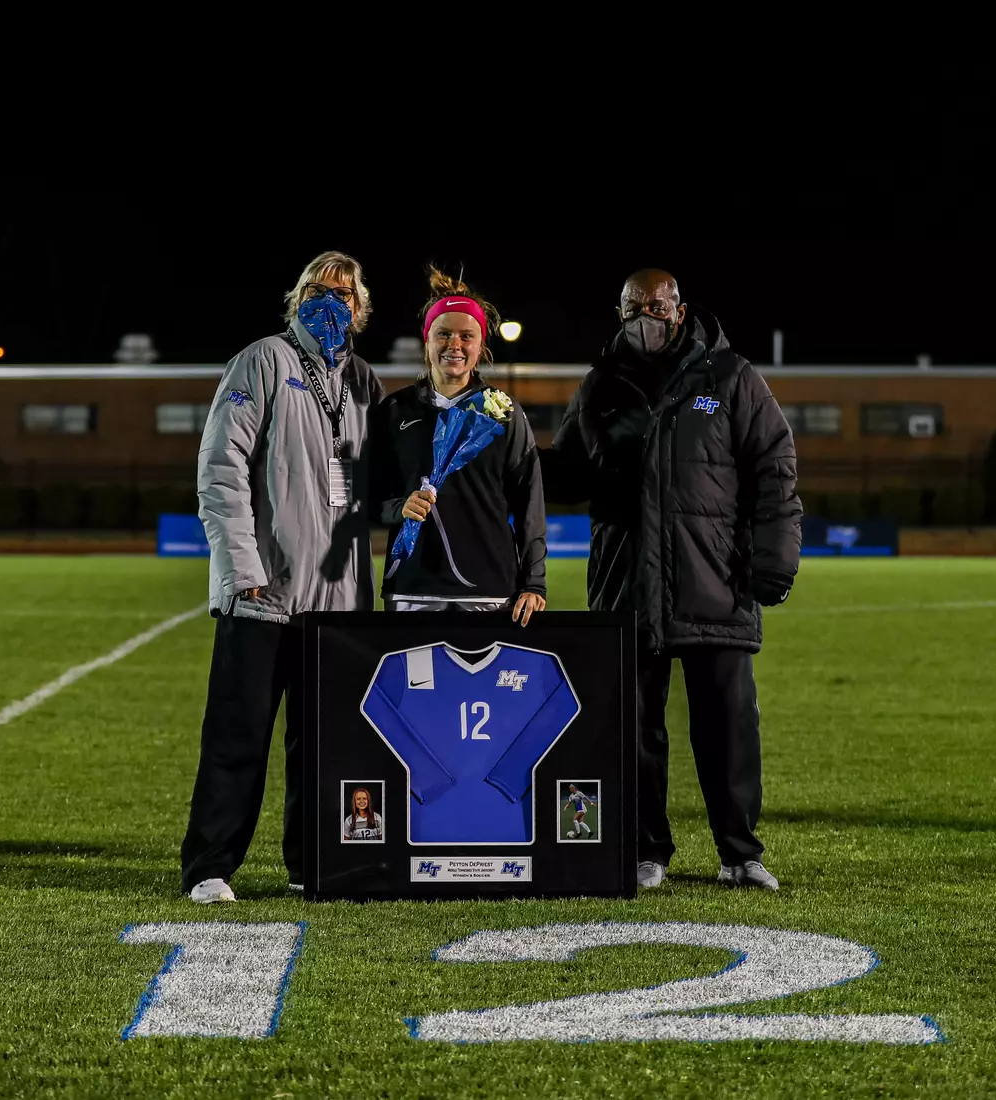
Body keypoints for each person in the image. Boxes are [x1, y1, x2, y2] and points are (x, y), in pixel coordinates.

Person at [541, 269, 801, 891]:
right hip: (628, 583)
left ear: (680, 310)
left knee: (729, 726)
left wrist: (774, 558)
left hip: (715, 579)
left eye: (657, 306)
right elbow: (566, 473)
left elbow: (775, 465)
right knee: (632, 728)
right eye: (634, 308)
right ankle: (645, 848)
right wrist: (504, 450)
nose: (646, 317)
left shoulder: (730, 377)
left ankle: (740, 852)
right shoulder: (602, 385)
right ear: (619, 311)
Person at [182, 251, 384, 904]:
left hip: (336, 601)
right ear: (295, 298)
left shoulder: (362, 380)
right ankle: (210, 867)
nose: (332, 301)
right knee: (237, 738)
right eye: (318, 289)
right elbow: (220, 466)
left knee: (324, 745)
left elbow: (377, 482)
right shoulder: (262, 360)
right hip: (264, 593)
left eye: (344, 293)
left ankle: (312, 863)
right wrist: (242, 568)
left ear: (361, 311)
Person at [371, 266, 547, 623]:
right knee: (414, 682)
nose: (455, 345)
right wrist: (398, 508)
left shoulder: (503, 412)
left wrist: (534, 583)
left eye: (467, 336)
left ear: (480, 345)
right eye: (444, 334)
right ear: (427, 341)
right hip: (411, 588)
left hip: (490, 588)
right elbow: (369, 496)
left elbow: (530, 501)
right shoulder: (394, 410)